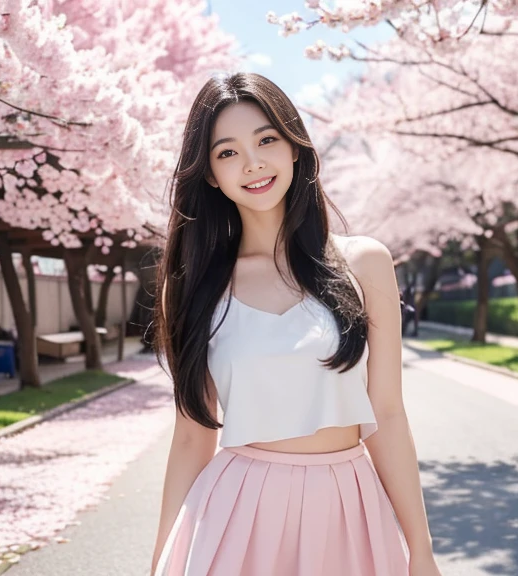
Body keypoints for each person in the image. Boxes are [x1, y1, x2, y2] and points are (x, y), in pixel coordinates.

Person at [150, 73, 442, 576]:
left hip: (348, 506)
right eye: (227, 152)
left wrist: (421, 547)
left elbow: (388, 415)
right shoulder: (194, 285)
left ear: (295, 148)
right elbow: (191, 436)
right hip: (238, 510)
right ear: (211, 175)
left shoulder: (365, 264)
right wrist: (161, 562)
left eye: (266, 140)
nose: (253, 162)